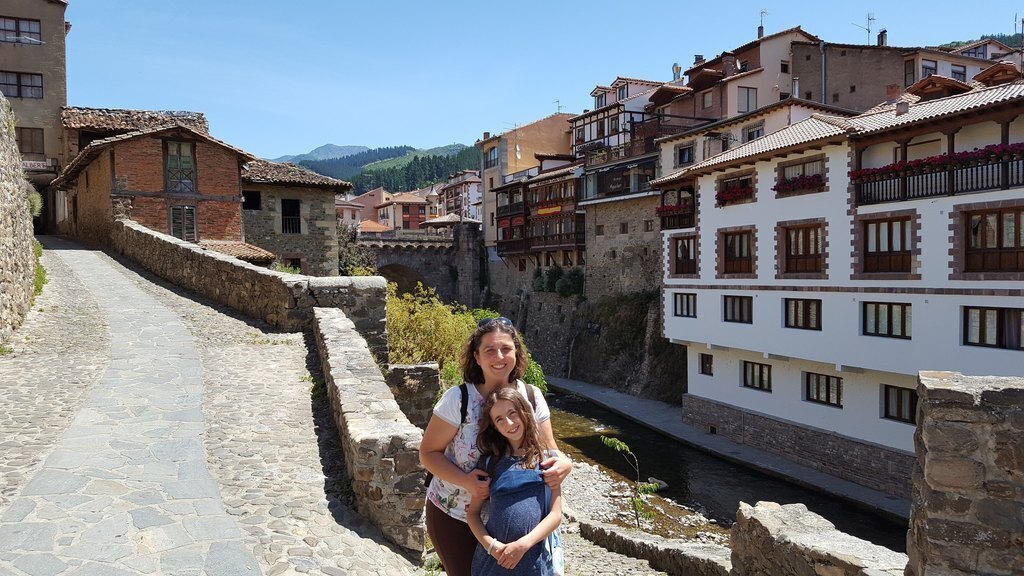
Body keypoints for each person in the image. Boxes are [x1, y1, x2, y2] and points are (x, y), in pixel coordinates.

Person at [419, 317, 571, 576]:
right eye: (490, 350)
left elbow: (549, 451)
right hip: (455, 516)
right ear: (476, 357)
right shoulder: (459, 399)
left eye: (506, 349)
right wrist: (467, 481)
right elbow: (428, 454)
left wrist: (565, 462)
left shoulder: (532, 397)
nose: (499, 356)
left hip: (515, 528)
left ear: (517, 354)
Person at [467, 387, 562, 575]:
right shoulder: (489, 463)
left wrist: (522, 545)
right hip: (493, 562)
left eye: (513, 413)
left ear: (524, 411)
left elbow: (555, 515)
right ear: (494, 426)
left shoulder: (547, 460)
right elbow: (472, 514)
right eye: (499, 419)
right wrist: (491, 547)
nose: (509, 423)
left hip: (533, 561)